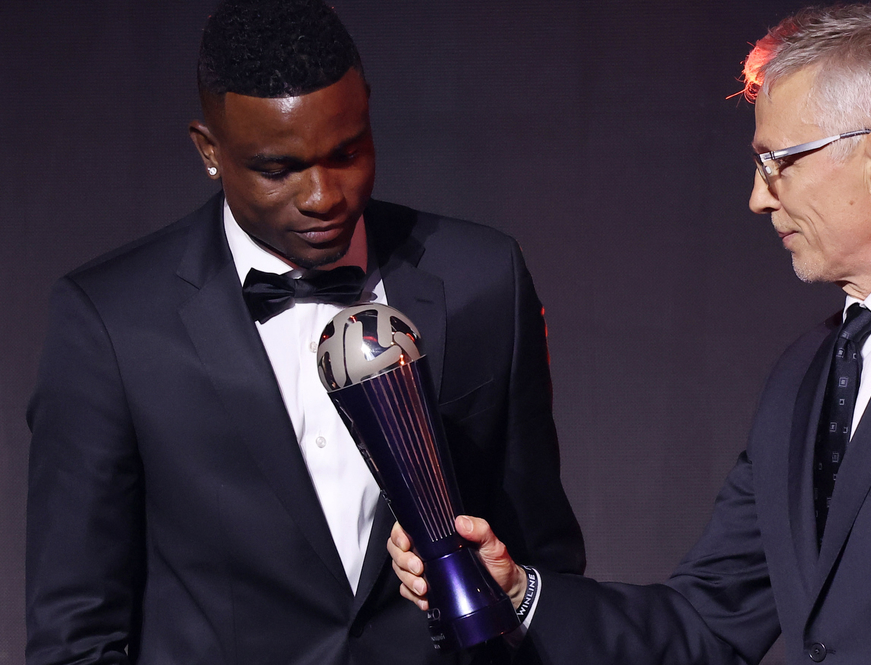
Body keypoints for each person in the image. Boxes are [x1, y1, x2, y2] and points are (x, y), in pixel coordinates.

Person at [389, 5, 871, 664]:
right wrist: (519, 593)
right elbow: (705, 622)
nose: (757, 198)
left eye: (776, 163)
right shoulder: (807, 372)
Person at [25, 1, 585, 663]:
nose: (324, 196)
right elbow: (74, 632)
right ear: (209, 151)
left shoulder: (483, 280)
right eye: (278, 170)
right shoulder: (110, 320)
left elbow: (545, 570)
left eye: (347, 153)